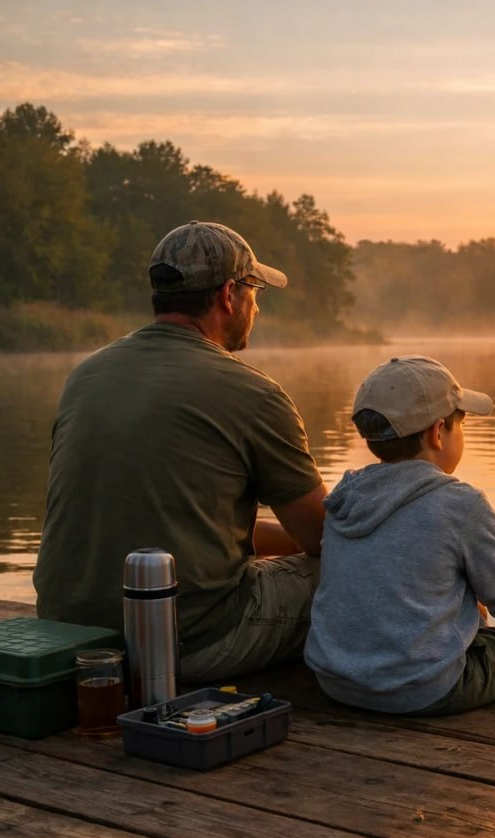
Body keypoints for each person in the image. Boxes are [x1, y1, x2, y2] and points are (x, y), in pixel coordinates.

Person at [33, 220, 327, 681]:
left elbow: (168, 516)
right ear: (229, 294)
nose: (257, 307)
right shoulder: (254, 394)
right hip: (183, 645)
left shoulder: (87, 375)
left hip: (65, 637)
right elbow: (321, 538)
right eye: (255, 291)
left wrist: (270, 542)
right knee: (350, 574)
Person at [305, 355, 495, 715]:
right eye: (461, 423)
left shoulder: (345, 497)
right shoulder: (463, 504)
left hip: (336, 680)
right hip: (422, 689)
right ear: (438, 433)